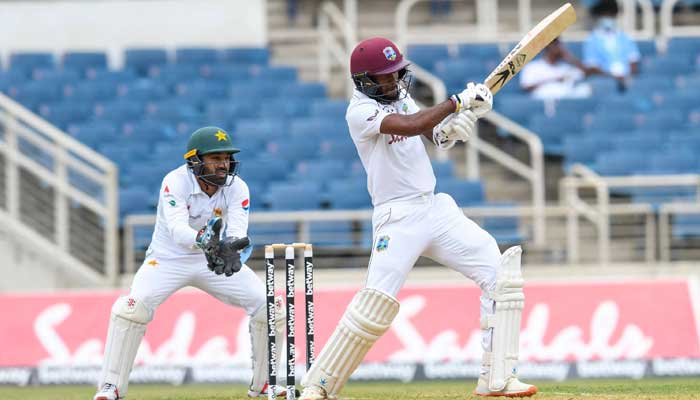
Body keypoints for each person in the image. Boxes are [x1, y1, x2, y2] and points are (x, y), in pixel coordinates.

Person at [299, 37, 536, 399]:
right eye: (385, 77)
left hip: (435, 208)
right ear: (364, 80)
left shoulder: (399, 97)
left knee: (500, 275)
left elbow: (432, 135)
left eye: (396, 74)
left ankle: (497, 379)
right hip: (398, 216)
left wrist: (457, 125)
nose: (394, 82)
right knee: (376, 302)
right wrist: (456, 102)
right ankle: (319, 385)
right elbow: (408, 126)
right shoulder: (359, 111)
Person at [93, 126, 286, 400]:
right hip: (168, 259)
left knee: (270, 306)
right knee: (130, 309)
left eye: (226, 158)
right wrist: (205, 240)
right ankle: (110, 387)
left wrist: (230, 250)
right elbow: (177, 230)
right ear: (195, 160)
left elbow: (238, 233)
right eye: (215, 158)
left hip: (213, 258)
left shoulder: (238, 187)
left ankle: (265, 384)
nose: (223, 164)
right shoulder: (175, 181)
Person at [583, 0, 640, 86]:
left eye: (610, 15)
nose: (608, 18)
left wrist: (629, 78)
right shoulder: (591, 40)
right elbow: (592, 66)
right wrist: (611, 78)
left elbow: (633, 61)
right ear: (599, 17)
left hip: (627, 80)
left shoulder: (625, 37)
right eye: (605, 15)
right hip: (604, 81)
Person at [520, 38, 593, 99]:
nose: (558, 48)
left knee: (585, 89)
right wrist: (554, 80)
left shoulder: (565, 67)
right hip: (545, 100)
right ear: (548, 47)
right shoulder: (532, 67)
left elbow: (587, 73)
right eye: (555, 45)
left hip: (567, 99)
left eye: (559, 46)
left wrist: (570, 59)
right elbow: (526, 87)